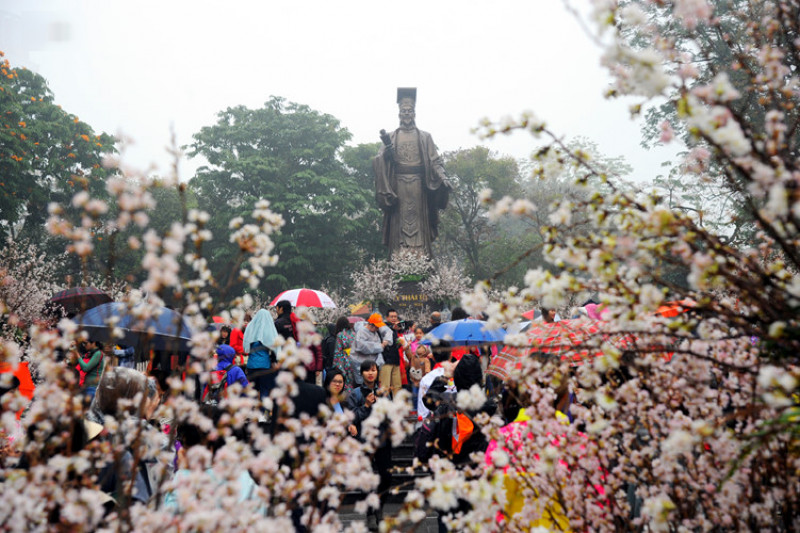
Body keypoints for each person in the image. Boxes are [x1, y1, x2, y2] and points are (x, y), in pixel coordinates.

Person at [373, 87, 451, 257]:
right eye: (403, 111)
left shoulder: (424, 136)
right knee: (399, 223)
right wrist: (386, 154)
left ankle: (421, 259)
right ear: (399, 113)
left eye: (409, 111)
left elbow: (435, 161)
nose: (406, 114)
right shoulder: (392, 136)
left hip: (419, 186)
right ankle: (398, 259)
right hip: (398, 186)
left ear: (414, 113)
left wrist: (443, 177)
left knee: (419, 225)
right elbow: (378, 159)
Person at [344, 360, 390, 530]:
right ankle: (371, 513)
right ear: (361, 373)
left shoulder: (384, 392)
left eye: (373, 370)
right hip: (363, 441)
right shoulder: (355, 394)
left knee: (387, 477)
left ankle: (378, 506)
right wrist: (366, 406)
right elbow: (352, 417)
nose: (370, 373)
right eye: (367, 371)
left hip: (382, 440)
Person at [244, 309, 281, 402]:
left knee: (252, 391)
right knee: (264, 390)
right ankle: (263, 413)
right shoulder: (269, 332)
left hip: (251, 365)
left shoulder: (250, 330)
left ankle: (251, 412)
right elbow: (275, 347)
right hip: (265, 366)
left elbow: (245, 347)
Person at [350, 313, 390, 385]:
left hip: (372, 365)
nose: (378, 329)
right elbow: (362, 347)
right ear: (371, 325)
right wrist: (380, 346)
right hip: (360, 364)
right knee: (362, 387)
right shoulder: (361, 332)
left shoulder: (375, 333)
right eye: (377, 327)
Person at [379, 309, 405, 398]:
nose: (394, 318)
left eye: (395, 317)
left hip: (395, 360)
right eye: (391, 317)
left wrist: (399, 343)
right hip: (386, 361)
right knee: (385, 386)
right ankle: (384, 407)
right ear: (387, 318)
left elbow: (394, 345)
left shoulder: (395, 329)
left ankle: (397, 407)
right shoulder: (383, 327)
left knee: (397, 386)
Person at [332, 317, 356, 391]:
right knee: (353, 381)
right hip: (354, 359)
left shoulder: (340, 335)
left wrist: (336, 365)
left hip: (344, 360)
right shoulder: (354, 334)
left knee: (345, 381)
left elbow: (337, 351)